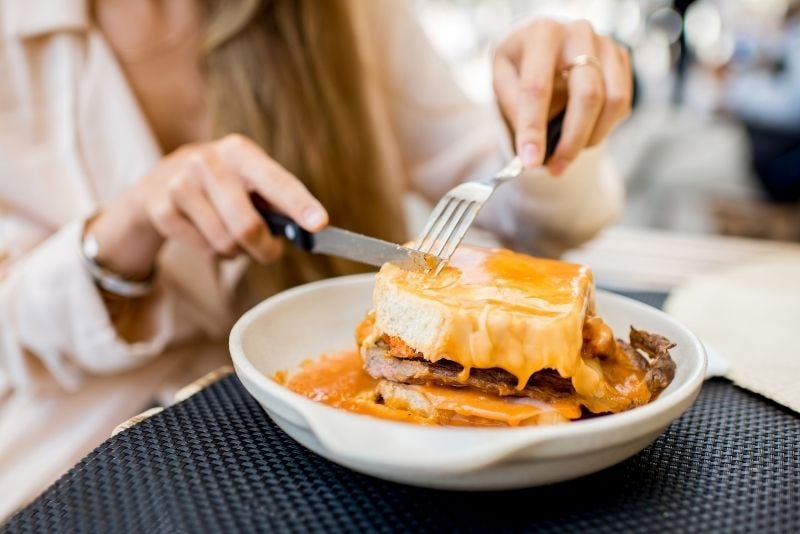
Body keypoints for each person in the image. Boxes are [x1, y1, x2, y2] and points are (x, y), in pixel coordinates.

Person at [0, 0, 632, 517]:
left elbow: (539, 220)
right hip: (73, 459)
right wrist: (120, 232)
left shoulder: (352, 14)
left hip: (343, 463)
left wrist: (548, 121)